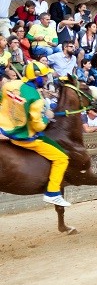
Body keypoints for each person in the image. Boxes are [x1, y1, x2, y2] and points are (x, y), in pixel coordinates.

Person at [0, 60, 71, 206]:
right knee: (62, 158)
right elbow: (37, 125)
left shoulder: (10, 85)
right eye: (44, 77)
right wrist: (47, 117)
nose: (46, 79)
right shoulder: (36, 98)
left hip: (5, 129)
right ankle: (52, 192)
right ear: (37, 78)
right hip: (24, 138)